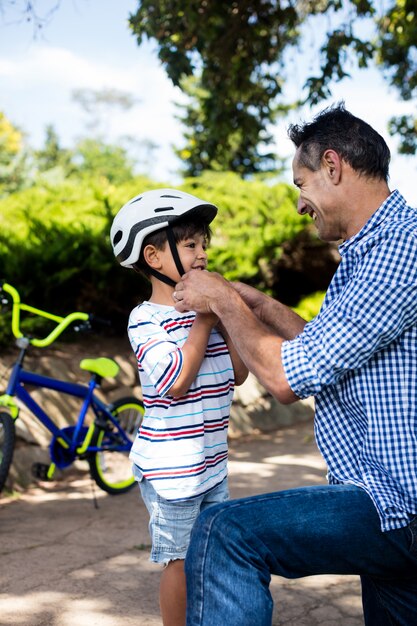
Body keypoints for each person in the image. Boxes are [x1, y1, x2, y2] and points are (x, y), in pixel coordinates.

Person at [173, 103, 417, 626]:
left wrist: (224, 302)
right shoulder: (370, 254)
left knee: (224, 532)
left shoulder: (401, 248)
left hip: (397, 505)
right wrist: (260, 307)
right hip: (389, 498)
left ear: (333, 166)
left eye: (300, 184)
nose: (300, 203)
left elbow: (288, 378)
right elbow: (331, 353)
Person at [110, 188, 248, 626]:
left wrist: (228, 313)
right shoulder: (145, 319)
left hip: (210, 463)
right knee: (181, 561)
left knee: (211, 555)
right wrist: (205, 321)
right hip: (172, 469)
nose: (202, 253)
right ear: (153, 256)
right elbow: (173, 381)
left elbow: (240, 373)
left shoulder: (208, 314)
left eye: (204, 243)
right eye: (190, 244)